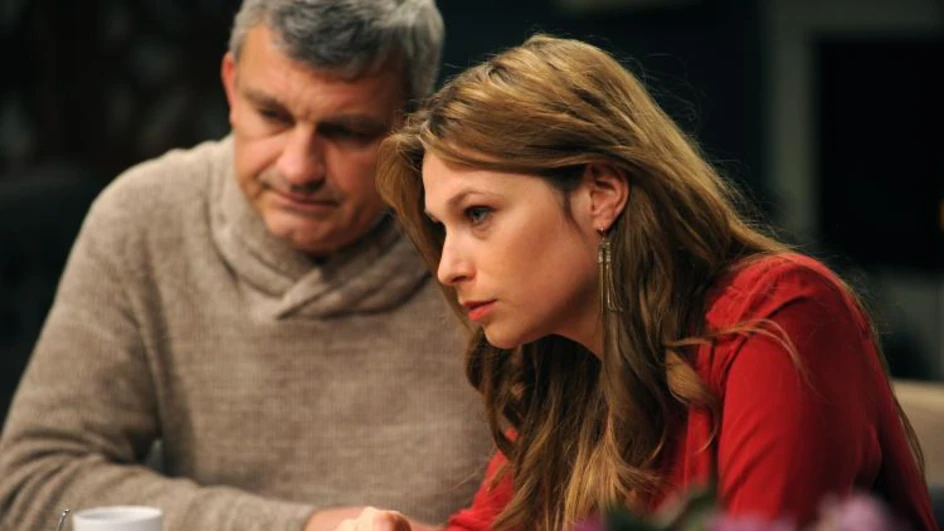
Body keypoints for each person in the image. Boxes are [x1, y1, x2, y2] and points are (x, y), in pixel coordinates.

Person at [342, 34, 940, 530]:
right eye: (441, 228)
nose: (448, 267)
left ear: (601, 192)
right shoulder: (562, 370)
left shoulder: (781, 311)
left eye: (478, 214)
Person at [0, 1, 493, 530]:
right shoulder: (146, 217)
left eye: (347, 131)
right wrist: (306, 527)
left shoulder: (483, 232)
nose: (298, 169)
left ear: (413, 118)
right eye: (272, 115)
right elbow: (33, 486)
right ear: (231, 85)